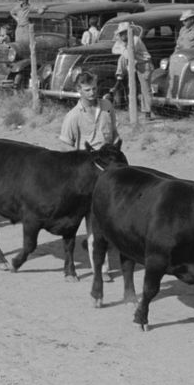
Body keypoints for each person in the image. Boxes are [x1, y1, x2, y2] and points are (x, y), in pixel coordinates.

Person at [59, 70, 119, 281]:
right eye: (87, 89)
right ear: (78, 91)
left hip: (109, 171)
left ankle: (104, 254)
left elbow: (115, 135)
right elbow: (66, 145)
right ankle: (100, 268)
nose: (92, 93)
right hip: (87, 175)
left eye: (94, 88)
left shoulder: (107, 108)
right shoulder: (73, 116)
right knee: (92, 221)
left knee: (109, 217)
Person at [111, 22, 154, 120]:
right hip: (136, 64)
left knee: (145, 89)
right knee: (121, 59)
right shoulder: (124, 42)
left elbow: (128, 54)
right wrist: (122, 48)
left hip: (144, 65)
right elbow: (113, 49)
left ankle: (148, 113)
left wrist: (121, 49)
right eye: (120, 34)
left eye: (123, 33)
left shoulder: (135, 40)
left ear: (128, 32)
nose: (122, 36)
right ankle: (119, 78)